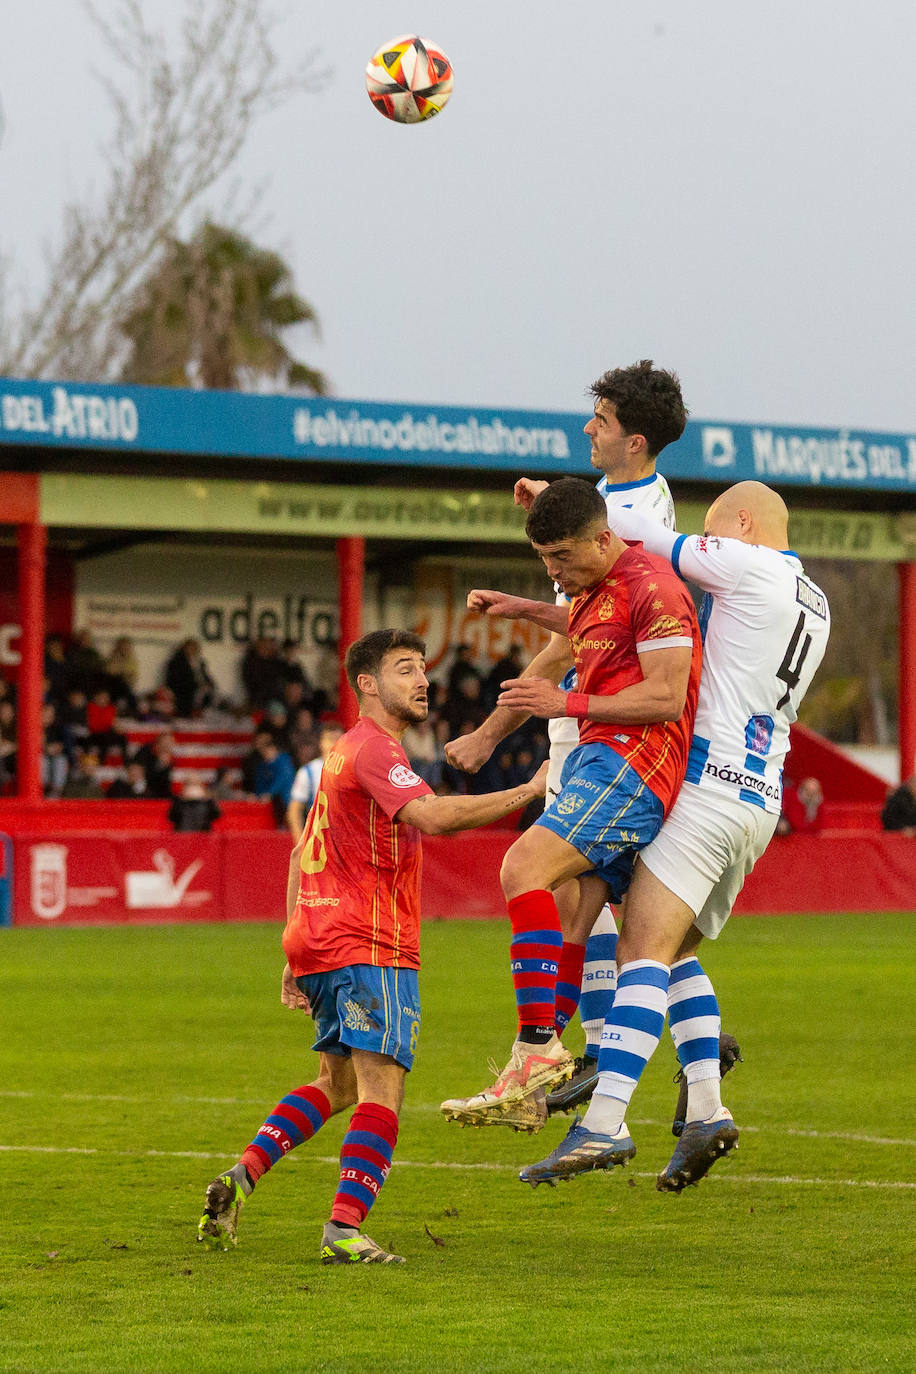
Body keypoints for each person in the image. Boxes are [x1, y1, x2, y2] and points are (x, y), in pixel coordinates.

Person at [196, 628, 548, 1265]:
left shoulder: (338, 756)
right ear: (367, 684)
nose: (422, 680)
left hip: (323, 938)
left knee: (335, 1083)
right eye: (405, 669)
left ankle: (242, 1174)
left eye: (422, 669)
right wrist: (530, 792)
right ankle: (344, 1230)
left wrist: (293, 944)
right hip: (369, 943)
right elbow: (434, 818)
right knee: (381, 1090)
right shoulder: (375, 753)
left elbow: (303, 854)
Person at [518, 480, 830, 1191]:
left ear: (741, 525)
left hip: (707, 780)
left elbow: (640, 534)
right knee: (672, 951)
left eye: (716, 531)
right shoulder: (817, 600)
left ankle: (604, 1121)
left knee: (639, 949)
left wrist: (551, 494)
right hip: (759, 798)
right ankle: (708, 1110)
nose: (708, 544)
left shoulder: (749, 563)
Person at [445, 360, 738, 1119]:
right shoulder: (626, 506)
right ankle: (580, 1071)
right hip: (610, 732)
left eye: (601, 420)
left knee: (543, 878)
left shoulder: (635, 535)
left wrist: (493, 730)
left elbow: (594, 636)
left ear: (635, 441)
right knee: (589, 913)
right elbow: (588, 613)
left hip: (620, 740)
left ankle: (572, 1055)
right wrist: (545, 518)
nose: (588, 428)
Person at [286, 722, 345, 839]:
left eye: (339, 739)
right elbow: (294, 811)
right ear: (321, 743)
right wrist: (300, 844)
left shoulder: (354, 770)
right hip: (320, 841)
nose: (334, 743)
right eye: (330, 739)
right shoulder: (308, 772)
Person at [164, 638, 215, 719]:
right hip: (185, 691)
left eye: (195, 648)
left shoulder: (200, 663)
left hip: (200, 690)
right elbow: (176, 681)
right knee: (201, 693)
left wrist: (209, 684)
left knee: (211, 693)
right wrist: (197, 685)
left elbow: (207, 678)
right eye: (191, 648)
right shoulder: (176, 662)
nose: (193, 650)